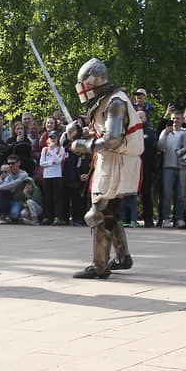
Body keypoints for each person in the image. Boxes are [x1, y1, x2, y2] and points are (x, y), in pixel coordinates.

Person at [69, 57, 144, 279]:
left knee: (98, 212)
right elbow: (103, 132)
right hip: (115, 158)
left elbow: (112, 139)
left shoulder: (116, 102)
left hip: (116, 159)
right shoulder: (108, 99)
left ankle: (100, 265)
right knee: (110, 209)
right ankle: (122, 257)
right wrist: (79, 132)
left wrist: (83, 146)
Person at [158, 111, 186, 228]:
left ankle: (179, 218)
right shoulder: (165, 132)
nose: (175, 121)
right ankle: (166, 218)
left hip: (182, 168)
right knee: (167, 194)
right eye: (173, 119)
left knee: (181, 195)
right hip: (168, 167)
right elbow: (159, 147)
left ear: (183, 120)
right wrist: (165, 134)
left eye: (178, 118)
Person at [0, 154, 28, 224]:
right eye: (9, 163)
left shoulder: (23, 174)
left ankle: (16, 215)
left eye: (13, 163)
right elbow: (2, 185)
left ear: (19, 163)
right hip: (8, 198)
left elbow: (13, 185)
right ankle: (3, 214)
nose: (11, 165)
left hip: (18, 200)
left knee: (15, 214)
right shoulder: (7, 173)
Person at [39, 130, 65, 225]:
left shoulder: (60, 149)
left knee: (57, 197)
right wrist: (50, 163)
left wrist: (53, 151)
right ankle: (47, 216)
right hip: (47, 176)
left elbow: (58, 161)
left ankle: (57, 216)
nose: (52, 139)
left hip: (57, 176)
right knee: (47, 197)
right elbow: (42, 163)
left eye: (54, 137)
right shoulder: (44, 150)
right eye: (51, 137)